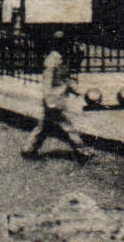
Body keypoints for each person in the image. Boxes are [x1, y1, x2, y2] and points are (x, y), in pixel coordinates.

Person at [22, 31, 93, 162]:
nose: (66, 46)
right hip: (53, 100)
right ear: (58, 44)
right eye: (63, 43)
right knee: (67, 126)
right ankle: (82, 151)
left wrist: (76, 91)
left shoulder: (62, 59)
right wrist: (49, 102)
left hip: (58, 99)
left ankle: (29, 149)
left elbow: (65, 80)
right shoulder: (51, 61)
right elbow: (47, 83)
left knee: (43, 127)